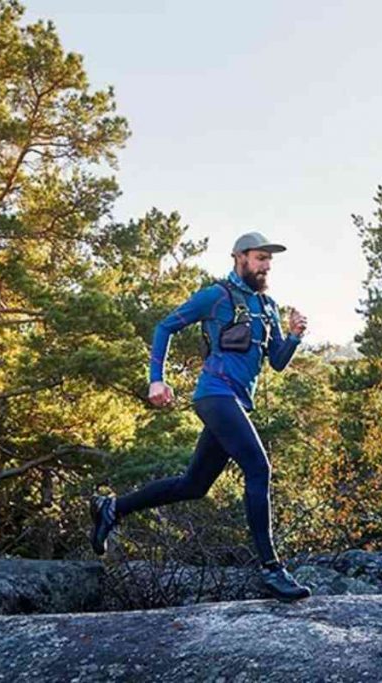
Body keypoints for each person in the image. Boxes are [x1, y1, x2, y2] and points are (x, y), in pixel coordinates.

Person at [90, 231, 312, 602]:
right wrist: (156, 380)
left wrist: (293, 337)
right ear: (240, 258)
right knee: (259, 469)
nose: (266, 266)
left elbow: (276, 362)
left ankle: (112, 508)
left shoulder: (269, 306)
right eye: (260, 259)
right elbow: (165, 326)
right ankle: (272, 569)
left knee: (194, 485)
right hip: (214, 395)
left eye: (269, 261)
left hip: (237, 402)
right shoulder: (216, 296)